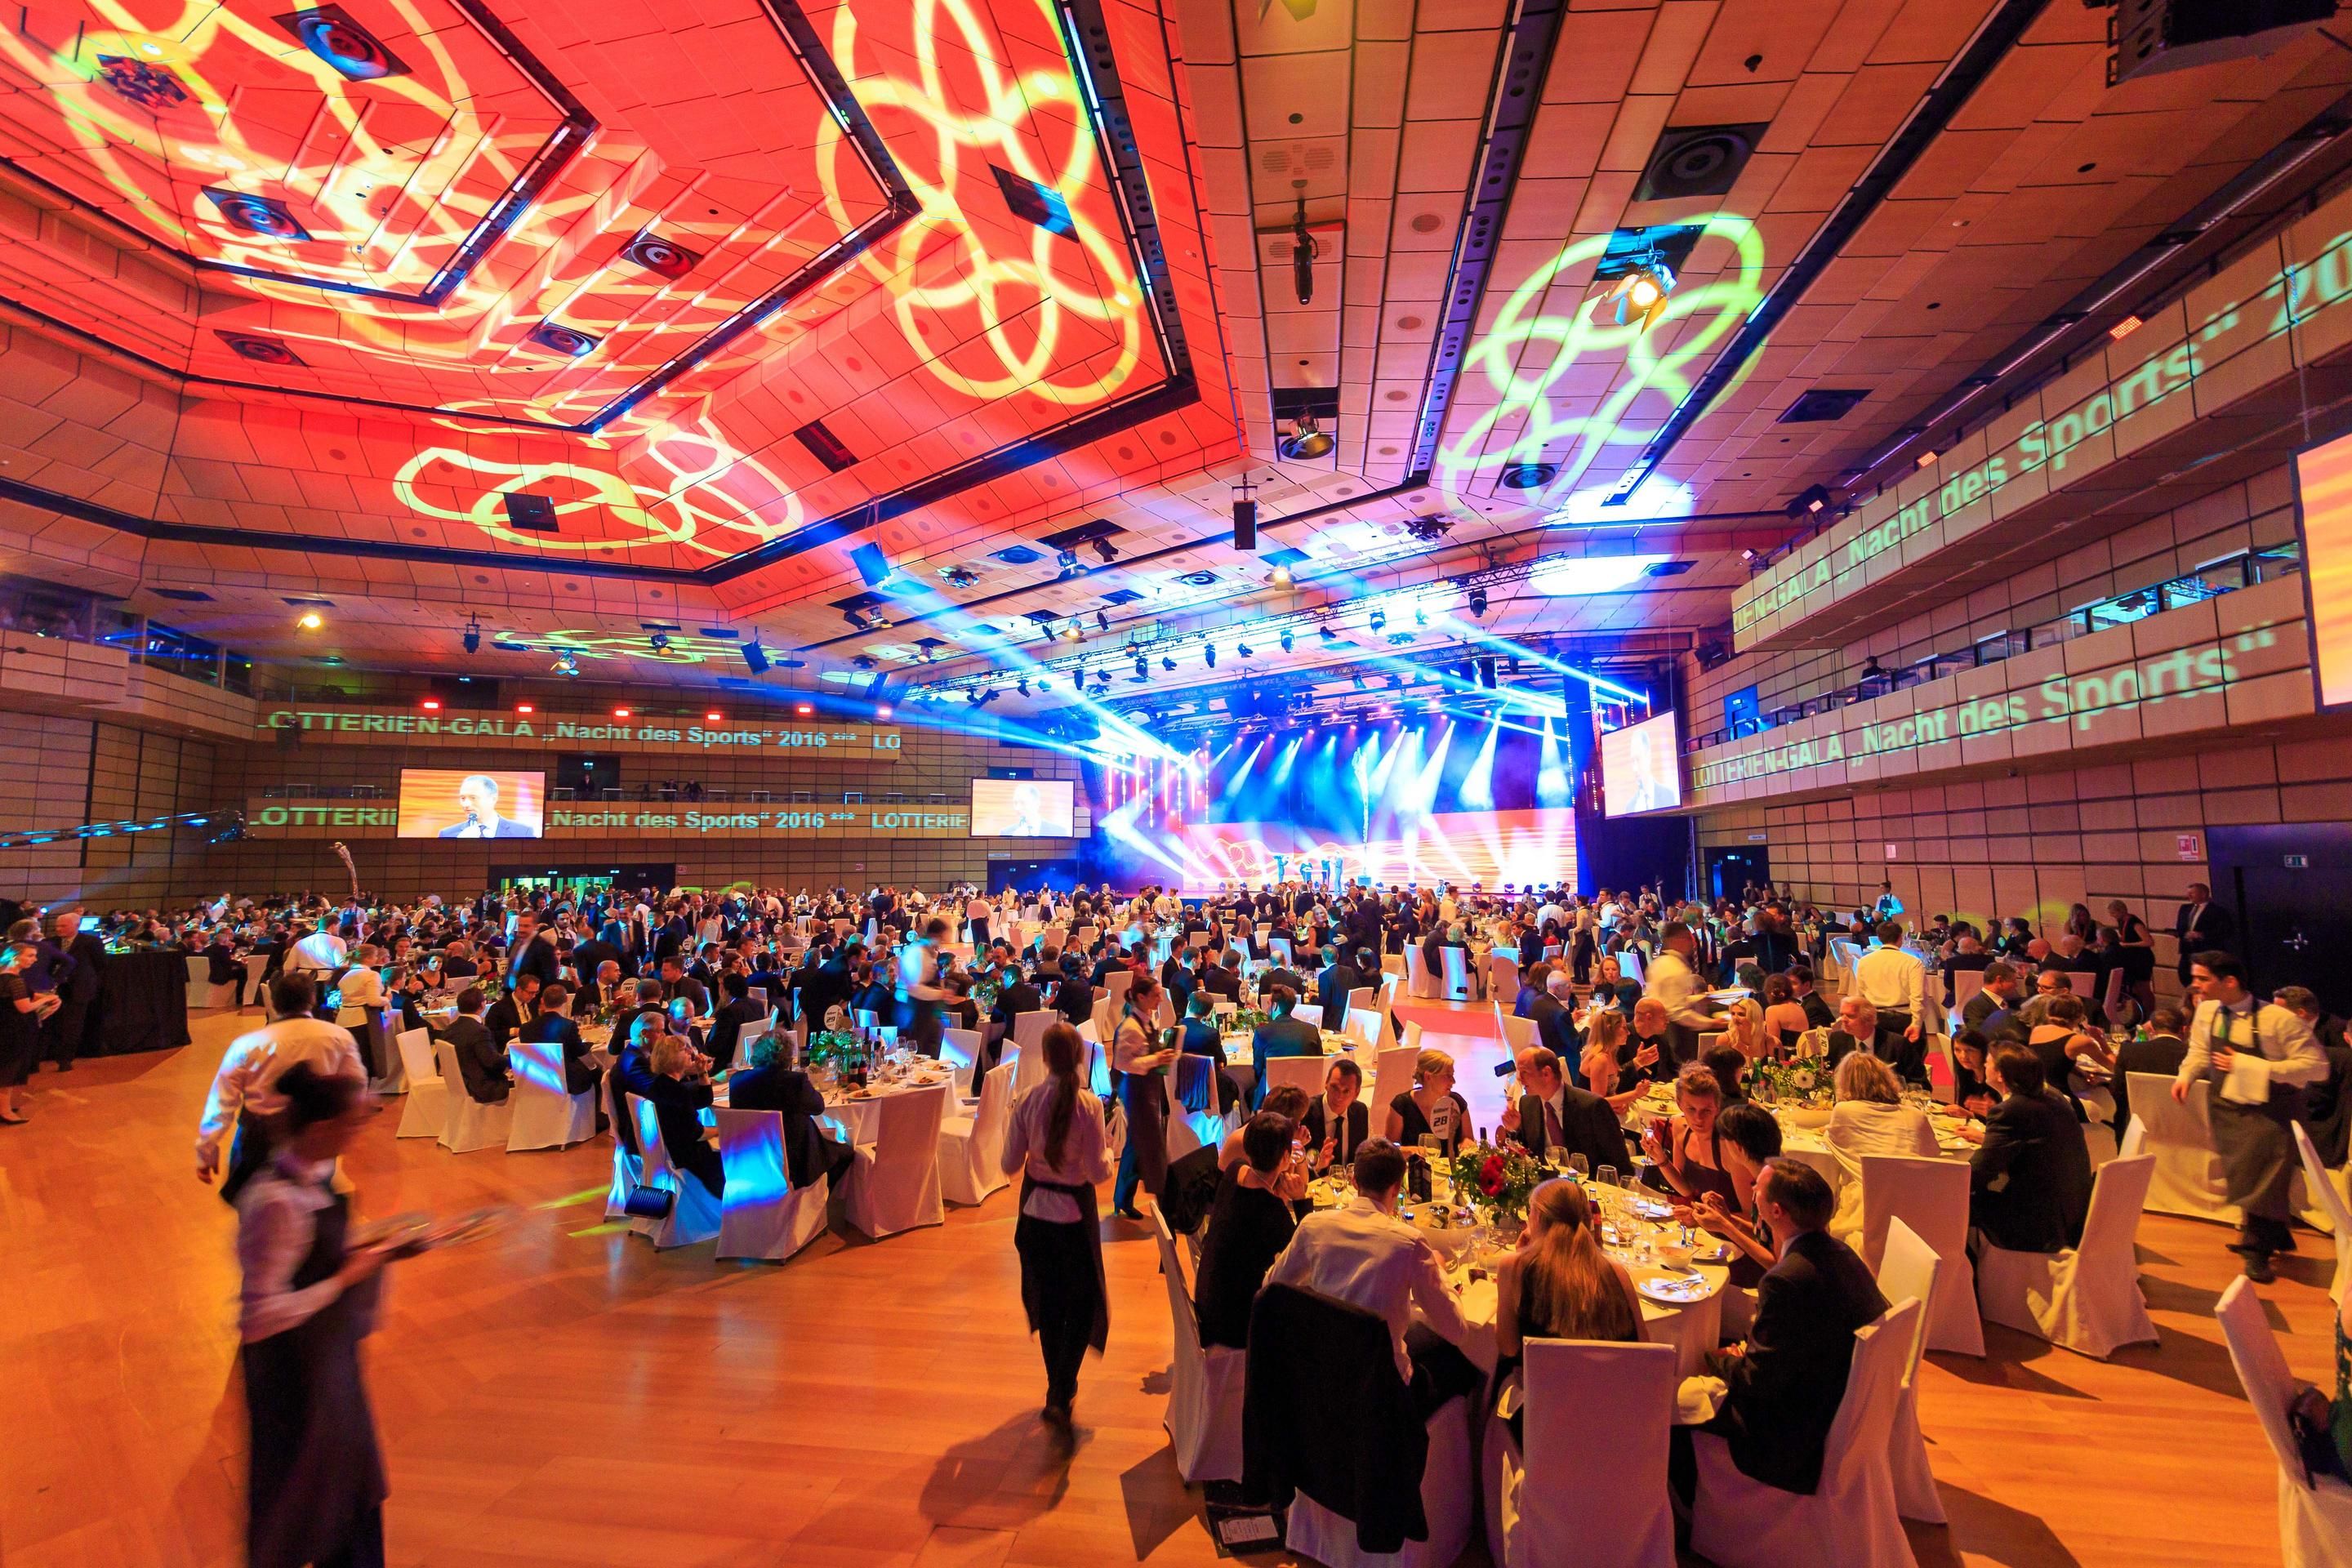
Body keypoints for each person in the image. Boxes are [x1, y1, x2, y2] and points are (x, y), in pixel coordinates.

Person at [234, 1062, 401, 1568]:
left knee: (350, 1490)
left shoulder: (315, 1177)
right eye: (353, 1124)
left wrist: (380, 1248)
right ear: (323, 1128)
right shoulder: (275, 1201)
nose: (359, 1133)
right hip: (294, 1370)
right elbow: (260, 1315)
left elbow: (319, 1254)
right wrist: (347, 1278)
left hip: (328, 1357)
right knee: (310, 1498)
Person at [1677, 1158, 1891, 1499]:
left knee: (1675, 1400)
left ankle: (1690, 1510)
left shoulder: (1786, 1280)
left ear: (1775, 1211)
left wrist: (1717, 1357)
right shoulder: (1844, 1255)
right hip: (1832, 1402)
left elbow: (1756, 1380)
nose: (1750, 1191)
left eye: (1756, 1189)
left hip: (1791, 1436)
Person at [1263, 1138, 1478, 1414]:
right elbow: (1457, 1331)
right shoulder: (1409, 1243)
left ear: (1354, 1181)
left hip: (1321, 1380)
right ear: (1397, 1187)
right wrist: (1437, 1270)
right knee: (1466, 1365)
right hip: (1385, 1396)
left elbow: (1271, 1286)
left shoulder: (1314, 1226)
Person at [2172, 951, 2326, 1281]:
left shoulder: (2277, 1019)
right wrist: (2186, 1075)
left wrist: (2252, 1066)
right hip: (2227, 1106)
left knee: (2264, 1176)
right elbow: (2199, 1051)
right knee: (2244, 1174)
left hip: (2272, 1109)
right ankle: (2272, 1236)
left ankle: (2258, 1250)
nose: (2194, 984)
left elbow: (2316, 1067)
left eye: (2202, 979)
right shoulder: (2207, 1011)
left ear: (2230, 982)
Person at [1000, 1022, 1111, 1424]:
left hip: (1034, 1217)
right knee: (1081, 1306)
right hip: (1075, 1219)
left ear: (1044, 1057)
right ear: (1080, 1058)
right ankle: (1063, 1386)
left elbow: (1009, 1164)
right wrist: (1110, 1156)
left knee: (1049, 1304)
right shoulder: (1090, 1106)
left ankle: (1056, 1387)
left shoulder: (1027, 1100)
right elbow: (1098, 1174)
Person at [1492, 1178, 1642, 1443]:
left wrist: (1521, 1256)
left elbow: (1507, 1347)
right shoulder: (1616, 1272)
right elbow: (1644, 1349)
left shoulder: (1514, 1266)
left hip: (1545, 1427)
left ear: (1536, 1216)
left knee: (1491, 1389)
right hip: (1615, 1424)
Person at [196, 974, 367, 1200]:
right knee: (312, 1205)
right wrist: (342, 1129)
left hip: (259, 1135)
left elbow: (222, 1101)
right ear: (312, 1000)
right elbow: (356, 1086)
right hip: (314, 1135)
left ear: (274, 1002)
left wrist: (206, 1149)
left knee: (255, 1207)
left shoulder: (247, 1045)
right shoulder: (339, 1037)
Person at [1192, 1111, 1305, 1348]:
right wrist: (1300, 1199)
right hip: (1234, 1321)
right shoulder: (1270, 1210)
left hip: (1210, 1297)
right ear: (1286, 1157)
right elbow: (1304, 1253)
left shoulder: (1236, 1169)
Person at [1969, 1045, 2092, 1254]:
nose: (1984, 1064)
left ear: (2000, 1075)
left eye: (1988, 1062)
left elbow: (1979, 1174)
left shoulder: (2010, 1110)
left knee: (1951, 1203)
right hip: (2073, 1213)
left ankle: (1966, 1279)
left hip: (2037, 1224)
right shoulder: (2053, 1097)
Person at [1823, 1053, 1937, 1245]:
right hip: (1919, 1209)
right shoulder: (1915, 1116)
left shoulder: (1845, 1111)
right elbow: (1934, 1155)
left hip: (1866, 1210)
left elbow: (1831, 1141)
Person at [728, 1031, 854, 1190]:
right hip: (792, 1165)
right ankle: (813, 1198)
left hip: (749, 1159)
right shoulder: (795, 1082)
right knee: (846, 1153)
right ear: (788, 1057)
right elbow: (818, 1107)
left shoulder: (737, 1081)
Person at [1501, 1045, 1629, 1176]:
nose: (1519, 1078)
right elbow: (1528, 1154)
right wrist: (1514, 1129)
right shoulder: (1527, 1104)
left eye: (1525, 1072)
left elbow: (1621, 1164)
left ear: (1546, 1073)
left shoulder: (1592, 1107)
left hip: (1587, 1186)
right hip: (1546, 1187)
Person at [1111, 973, 1177, 1220]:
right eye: (1156, 995)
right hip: (1136, 1089)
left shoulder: (1147, 1019)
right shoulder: (1130, 1027)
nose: (1161, 998)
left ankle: (1123, 1199)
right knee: (1145, 1144)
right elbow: (1124, 1063)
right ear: (1141, 997)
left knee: (1138, 1145)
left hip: (1147, 1086)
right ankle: (1158, 1198)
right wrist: (1156, 1059)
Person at [1640, 1064, 1737, 1206]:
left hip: (1727, 1225)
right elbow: (1685, 1190)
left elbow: (1750, 1218)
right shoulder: (1680, 1126)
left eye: (1706, 1111)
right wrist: (1660, 1158)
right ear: (1679, 1105)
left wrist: (1701, 1216)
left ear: (1717, 1107)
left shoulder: (1729, 1144)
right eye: (1691, 1109)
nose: (1698, 1118)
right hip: (1700, 1220)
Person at [644, 1035, 722, 1200]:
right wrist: (721, 1130)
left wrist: (702, 1072)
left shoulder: (661, 1084)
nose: (690, 1053)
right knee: (733, 1153)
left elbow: (704, 1100)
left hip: (673, 1148)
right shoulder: (676, 1092)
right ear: (671, 1058)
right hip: (687, 1156)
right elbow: (697, 1133)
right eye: (683, 1050)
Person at [0, 938, 57, 1122]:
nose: (34, 959)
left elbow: (28, 994)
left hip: (6, 1029)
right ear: (16, 957)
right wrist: (45, 1001)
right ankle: (5, 1112)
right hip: (12, 1031)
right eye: (30, 956)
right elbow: (24, 1006)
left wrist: (46, 997)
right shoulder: (14, 980)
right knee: (8, 1071)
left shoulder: (5, 975)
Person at [46, 908, 105, 1071]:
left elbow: (100, 965)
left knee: (73, 1026)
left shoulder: (91, 942)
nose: (59, 930)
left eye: (63, 926)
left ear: (76, 925)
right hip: (54, 989)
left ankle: (65, 1059)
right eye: (57, 926)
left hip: (79, 990)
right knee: (53, 1024)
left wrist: (89, 983)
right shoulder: (51, 942)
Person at [1383, 1048, 1469, 1157]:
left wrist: (1467, 1144)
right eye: (1448, 1075)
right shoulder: (1402, 1105)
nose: (1453, 1081)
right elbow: (1388, 1149)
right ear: (1429, 1076)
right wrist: (1411, 1150)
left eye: (1453, 1075)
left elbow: (1468, 1138)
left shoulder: (1457, 1103)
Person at [517, 982, 597, 1097]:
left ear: (543, 1001)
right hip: (564, 1080)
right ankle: (595, 1113)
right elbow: (578, 1052)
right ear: (565, 1001)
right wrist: (589, 1044)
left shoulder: (525, 1028)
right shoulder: (568, 1025)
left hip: (535, 1078)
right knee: (597, 1072)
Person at [1249, 985, 1321, 1106]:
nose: (1267, 1008)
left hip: (1272, 1099)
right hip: (1305, 1096)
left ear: (1275, 1006)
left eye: (1269, 1003)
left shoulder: (1262, 1033)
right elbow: (1318, 1064)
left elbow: (1258, 1070)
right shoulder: (1311, 1030)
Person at [1299, 1056, 1370, 1172]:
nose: (1339, 1096)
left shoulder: (1360, 1112)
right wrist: (1317, 1165)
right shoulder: (1306, 1113)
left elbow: (1359, 1160)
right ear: (1326, 1083)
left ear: (1356, 1093)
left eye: (1346, 1091)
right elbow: (1295, 1166)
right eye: (1334, 1087)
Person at [442, 987, 508, 1104]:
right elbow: (491, 1062)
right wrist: (514, 1060)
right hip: (481, 1087)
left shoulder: (449, 1029)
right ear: (483, 1005)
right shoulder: (479, 1031)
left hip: (461, 1081)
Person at [2172, 884, 2233, 983]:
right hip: (2187, 950)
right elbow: (2181, 926)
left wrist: (2201, 935)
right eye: (2188, 894)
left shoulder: (2218, 911)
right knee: (2185, 976)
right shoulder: (2184, 909)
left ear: (2203, 894)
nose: (2189, 896)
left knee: (2207, 977)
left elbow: (2226, 931)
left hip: (2206, 951)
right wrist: (2178, 933)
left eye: (2192, 893)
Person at [438, 773, 532, 837]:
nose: (466, 804)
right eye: (463, 798)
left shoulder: (523, 832)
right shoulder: (447, 834)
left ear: (493, 799)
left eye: (473, 798)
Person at [706, 973, 764, 1072]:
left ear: (727, 991)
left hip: (727, 1061)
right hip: (753, 1056)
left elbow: (718, 1045)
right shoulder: (758, 1005)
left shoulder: (729, 1012)